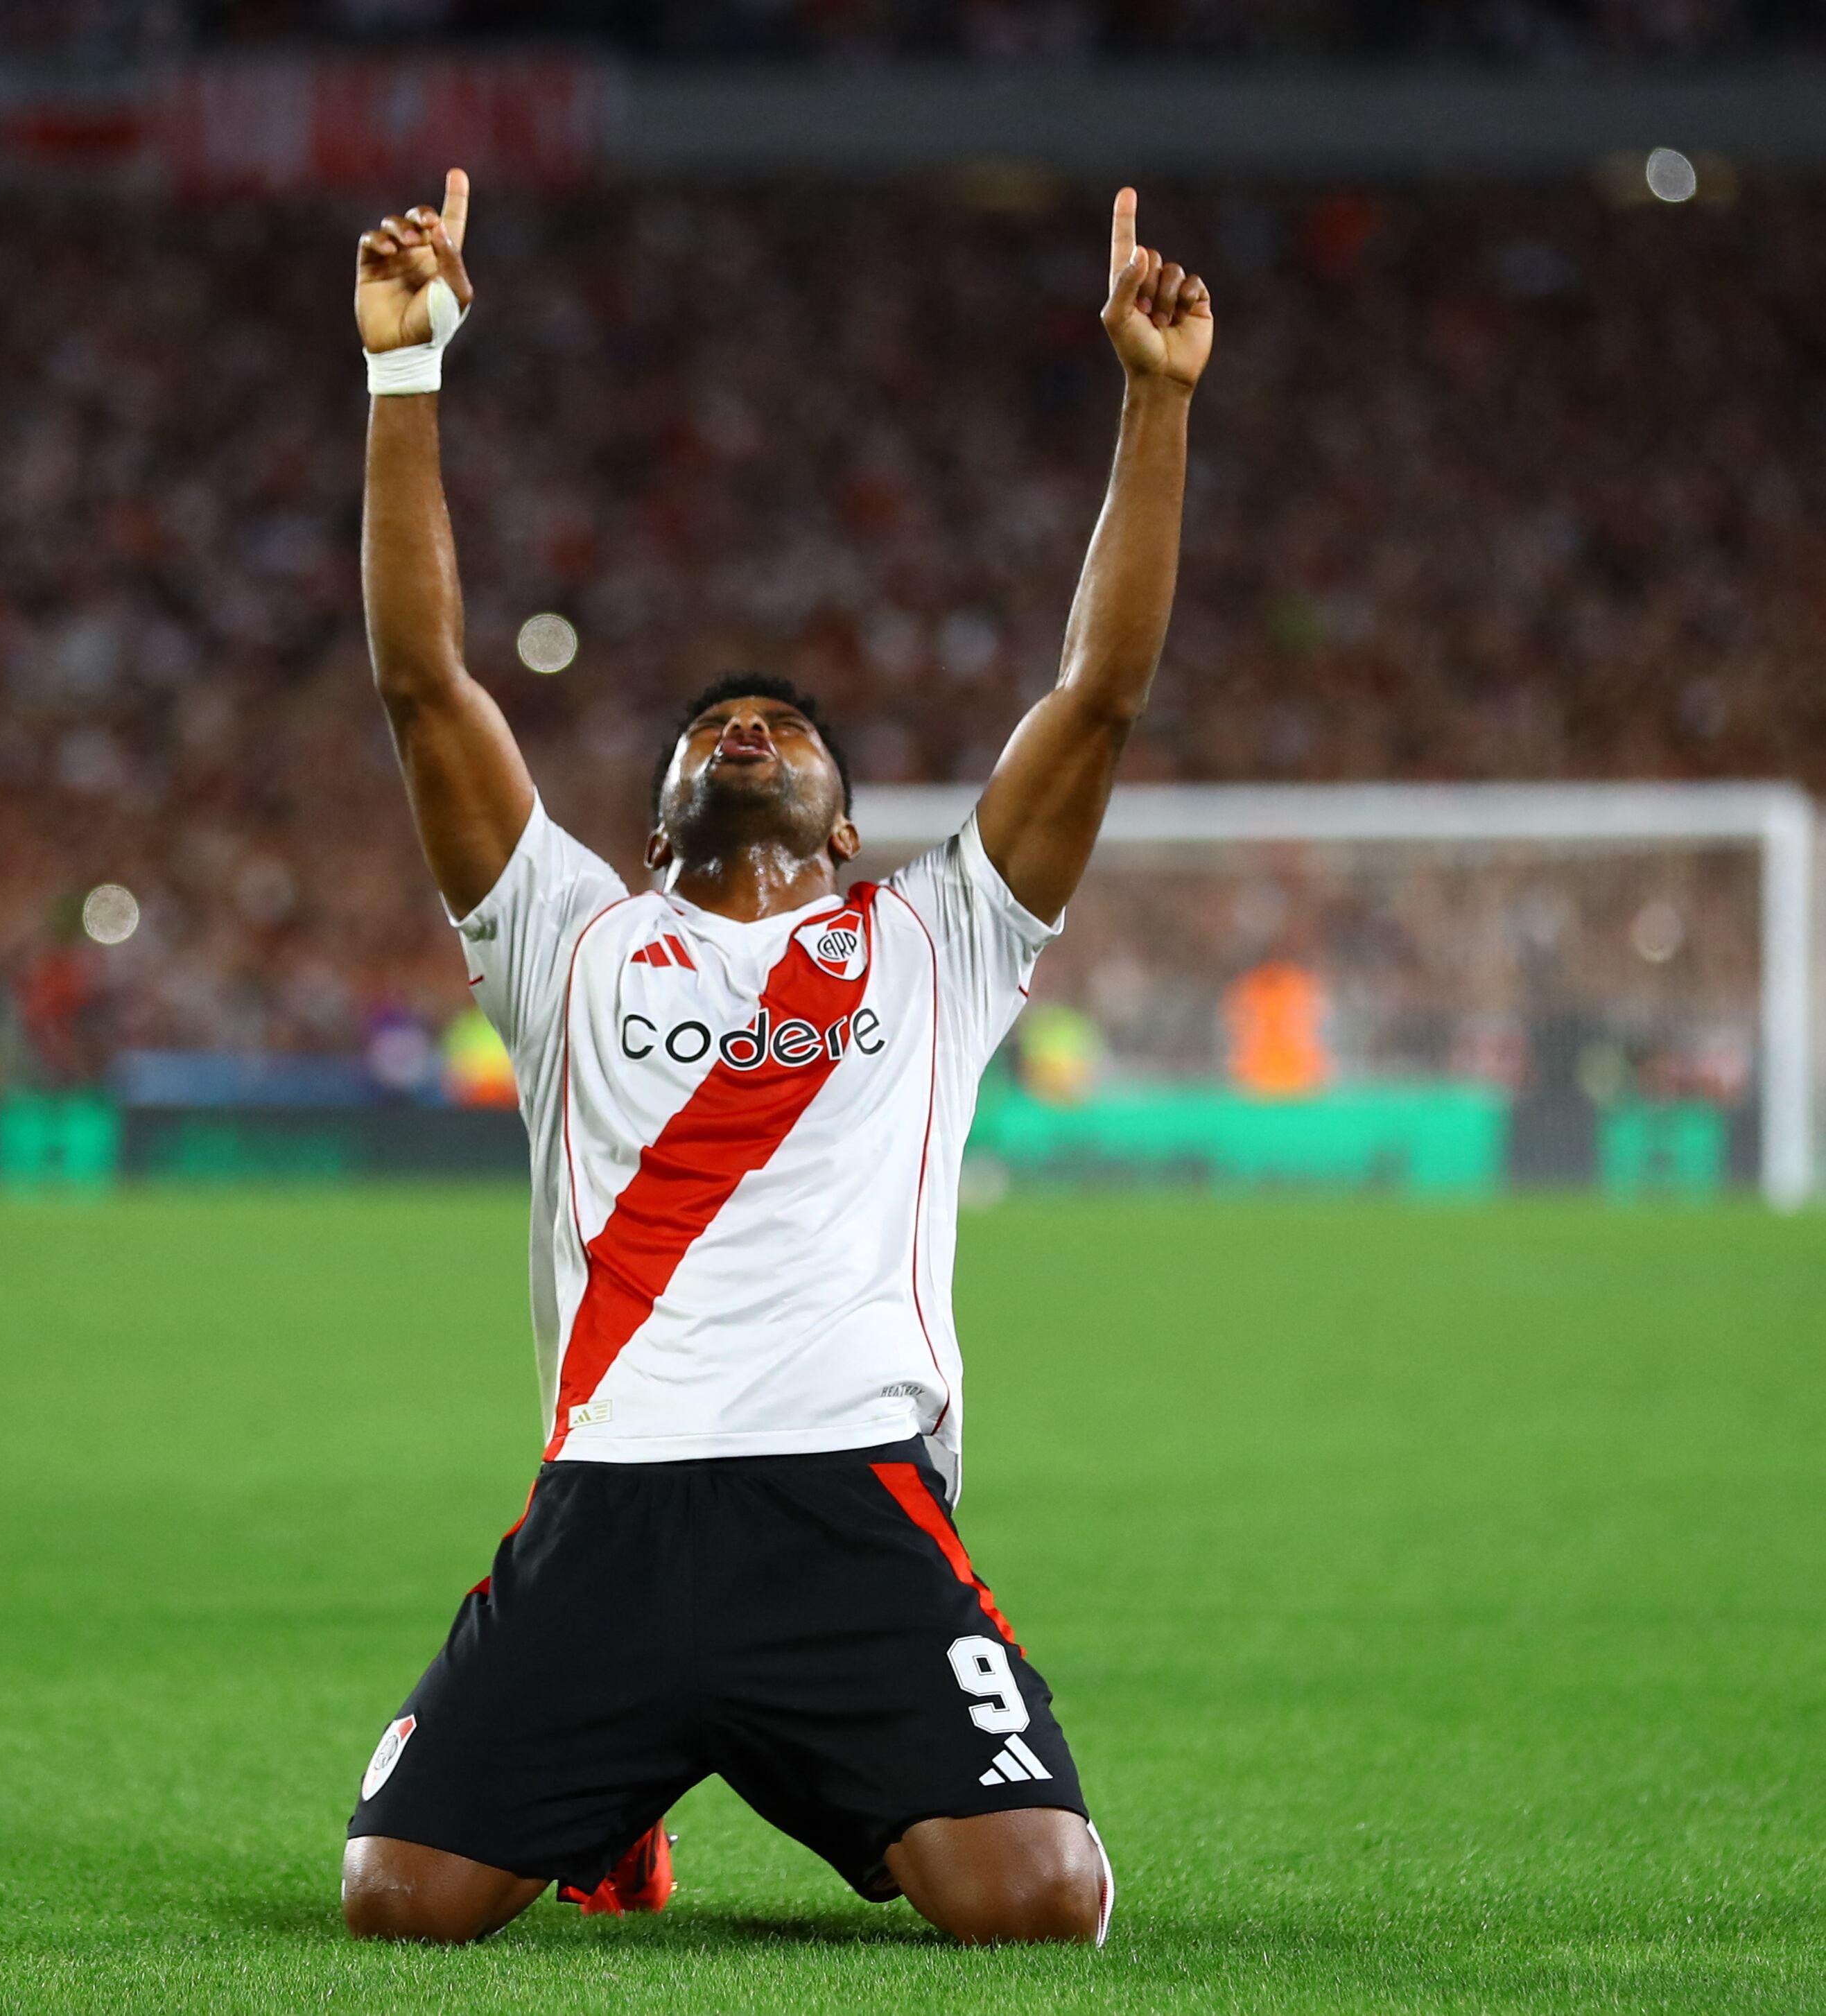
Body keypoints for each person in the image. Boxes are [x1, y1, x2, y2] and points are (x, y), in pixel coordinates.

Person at [336, 173, 1212, 1945]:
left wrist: (1156, 400)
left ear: (848, 820)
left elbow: (1099, 695)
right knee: (399, 1903)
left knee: (1040, 1903)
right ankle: (617, 1783)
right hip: (613, 1500)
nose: (747, 727)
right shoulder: (564, 931)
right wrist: (403, 372)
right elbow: (426, 684)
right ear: (658, 818)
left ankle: (674, 1760)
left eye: (785, 725)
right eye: (714, 726)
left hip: (848, 1499)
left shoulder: (944, 935)